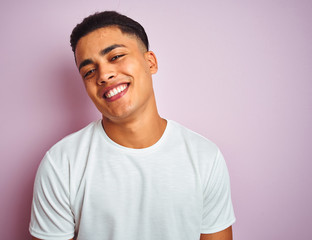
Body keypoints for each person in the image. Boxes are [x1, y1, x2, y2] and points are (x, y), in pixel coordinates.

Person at [29, 11, 235, 240]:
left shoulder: (204, 156)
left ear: (150, 62)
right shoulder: (61, 163)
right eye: (89, 71)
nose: (104, 75)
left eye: (115, 56)